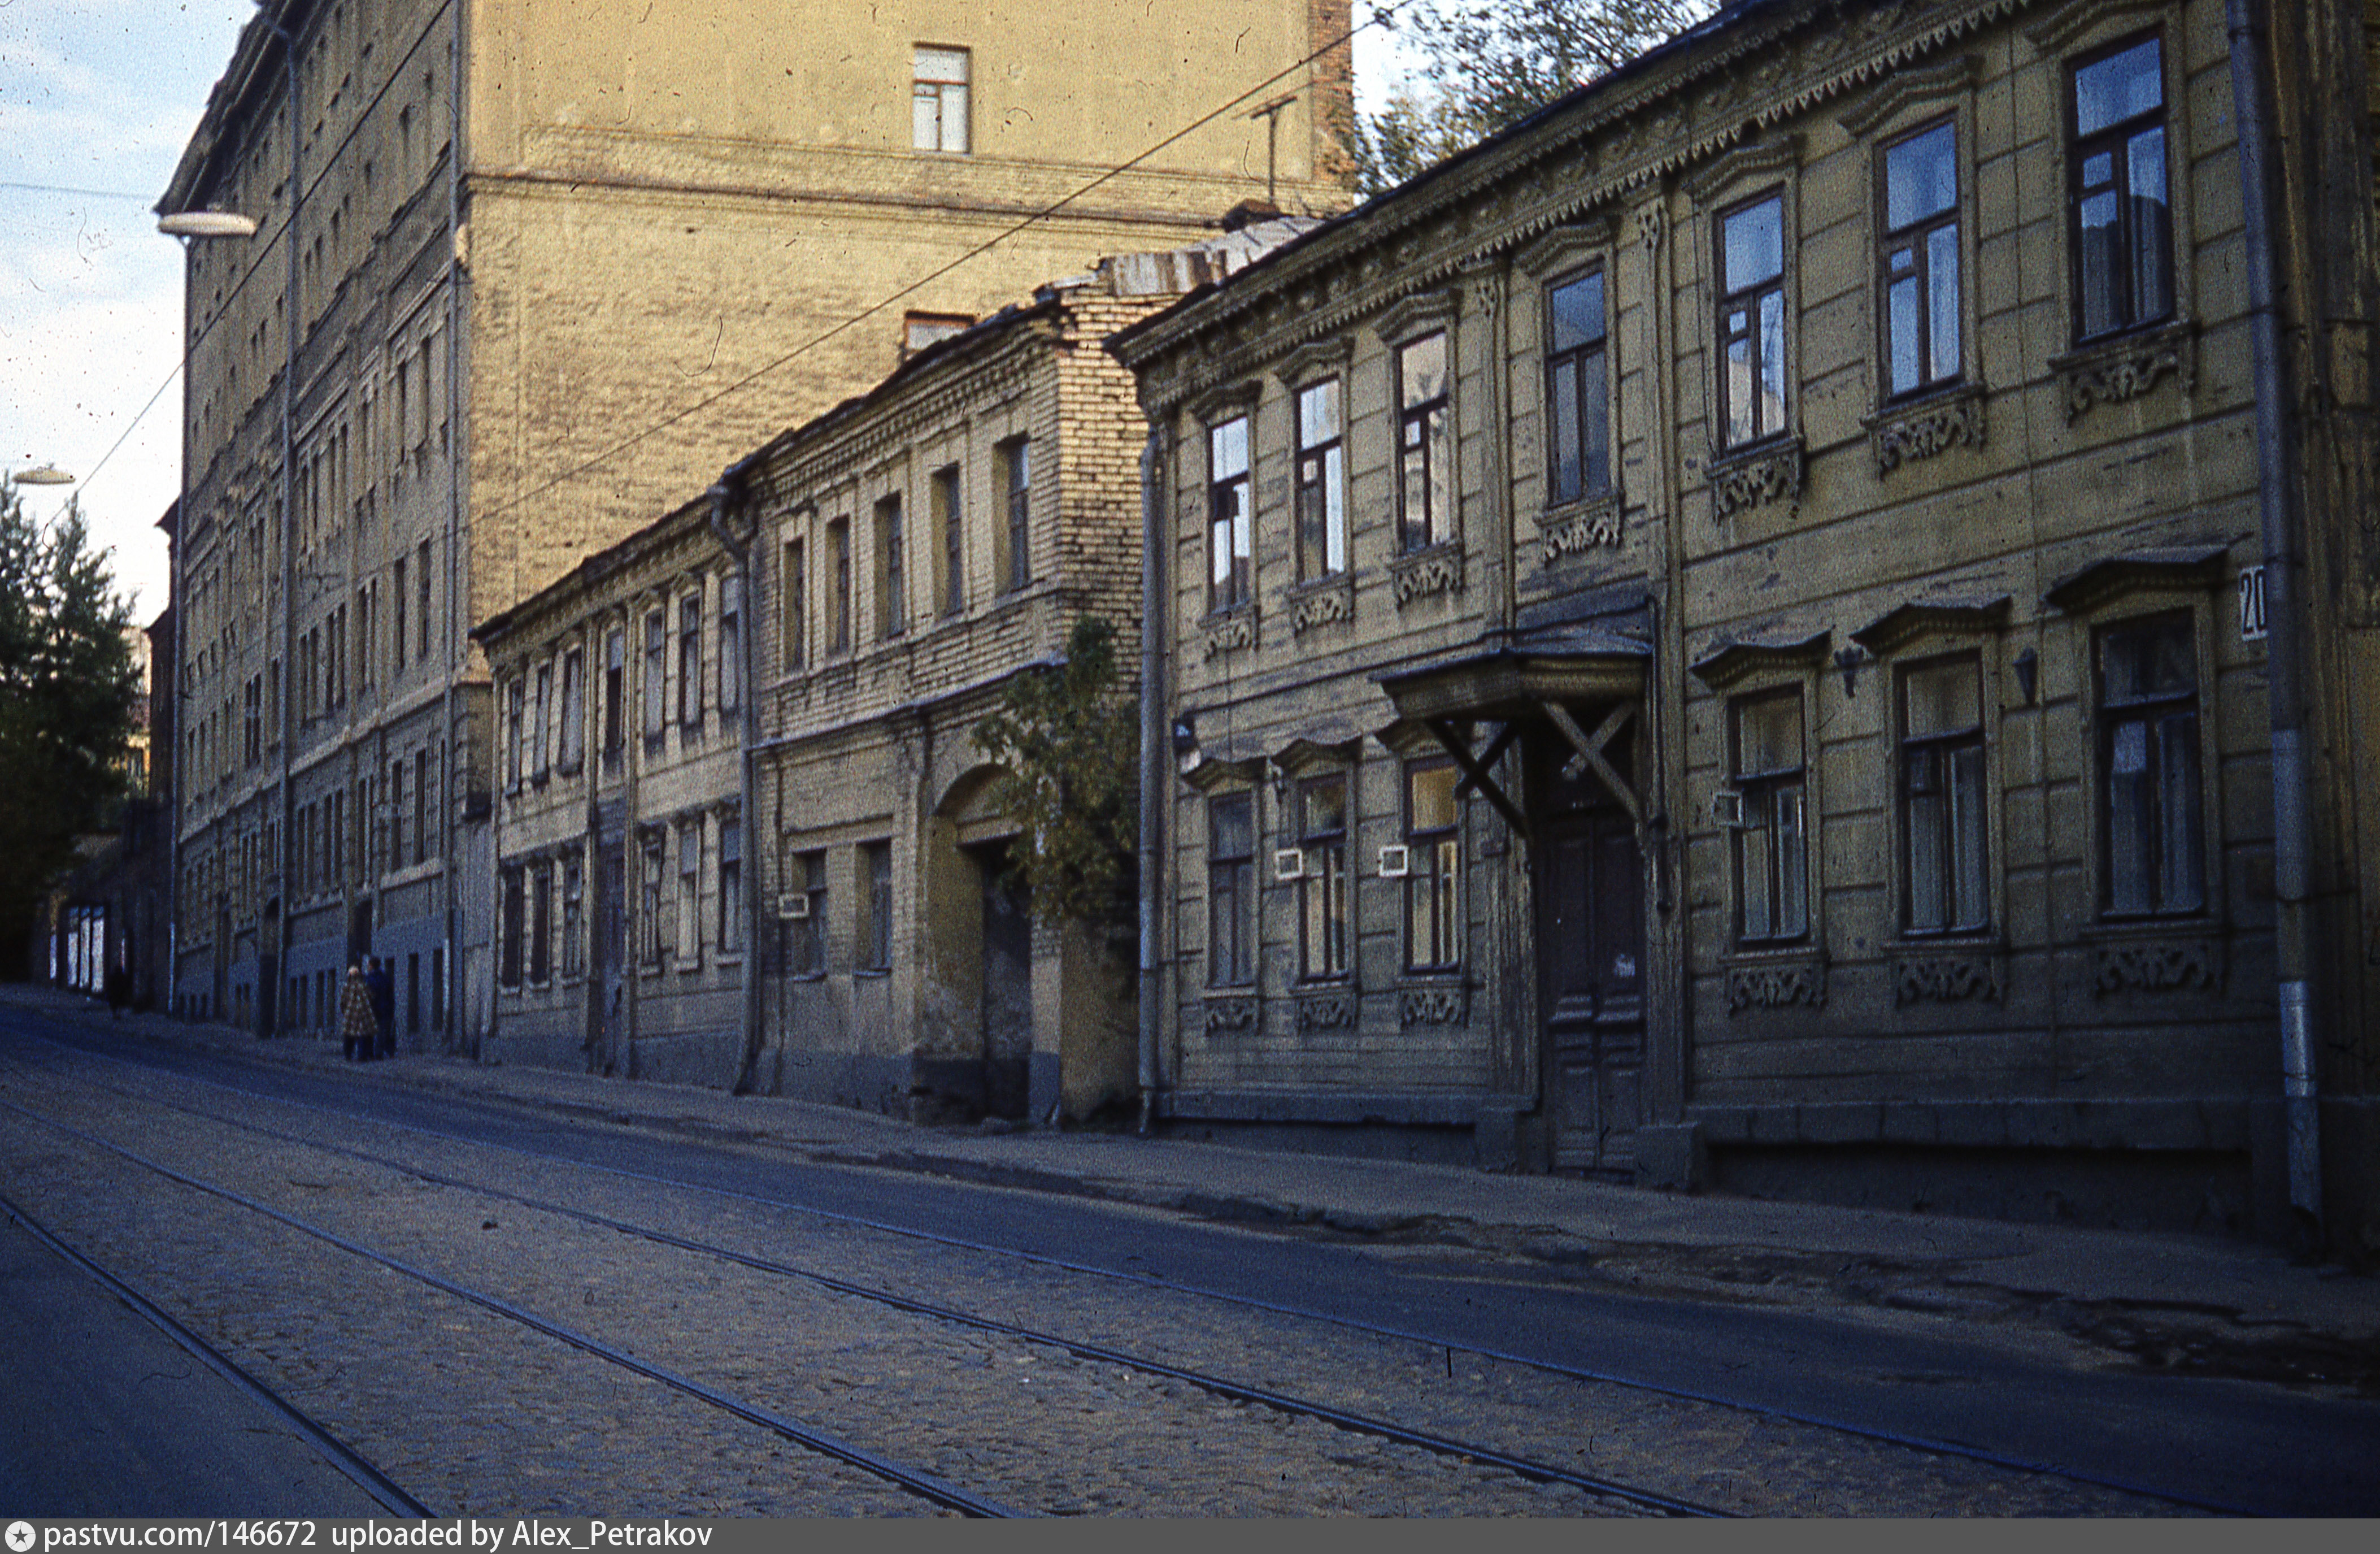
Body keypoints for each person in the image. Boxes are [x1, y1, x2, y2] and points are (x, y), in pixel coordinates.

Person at [340, 962, 375, 1062]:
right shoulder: (363, 985)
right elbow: (371, 997)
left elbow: (343, 1001)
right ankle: (362, 1055)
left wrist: (345, 1012)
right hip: (362, 1014)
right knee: (361, 1036)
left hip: (350, 1014)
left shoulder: (347, 986)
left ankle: (348, 1055)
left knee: (349, 1036)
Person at [367, 956, 396, 1060]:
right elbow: (390, 994)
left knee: (375, 1031)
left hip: (374, 1008)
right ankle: (389, 1051)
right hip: (386, 1008)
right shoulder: (385, 978)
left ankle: (377, 1053)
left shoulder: (369, 979)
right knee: (386, 1030)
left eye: (368, 965)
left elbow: (368, 995)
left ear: (371, 966)